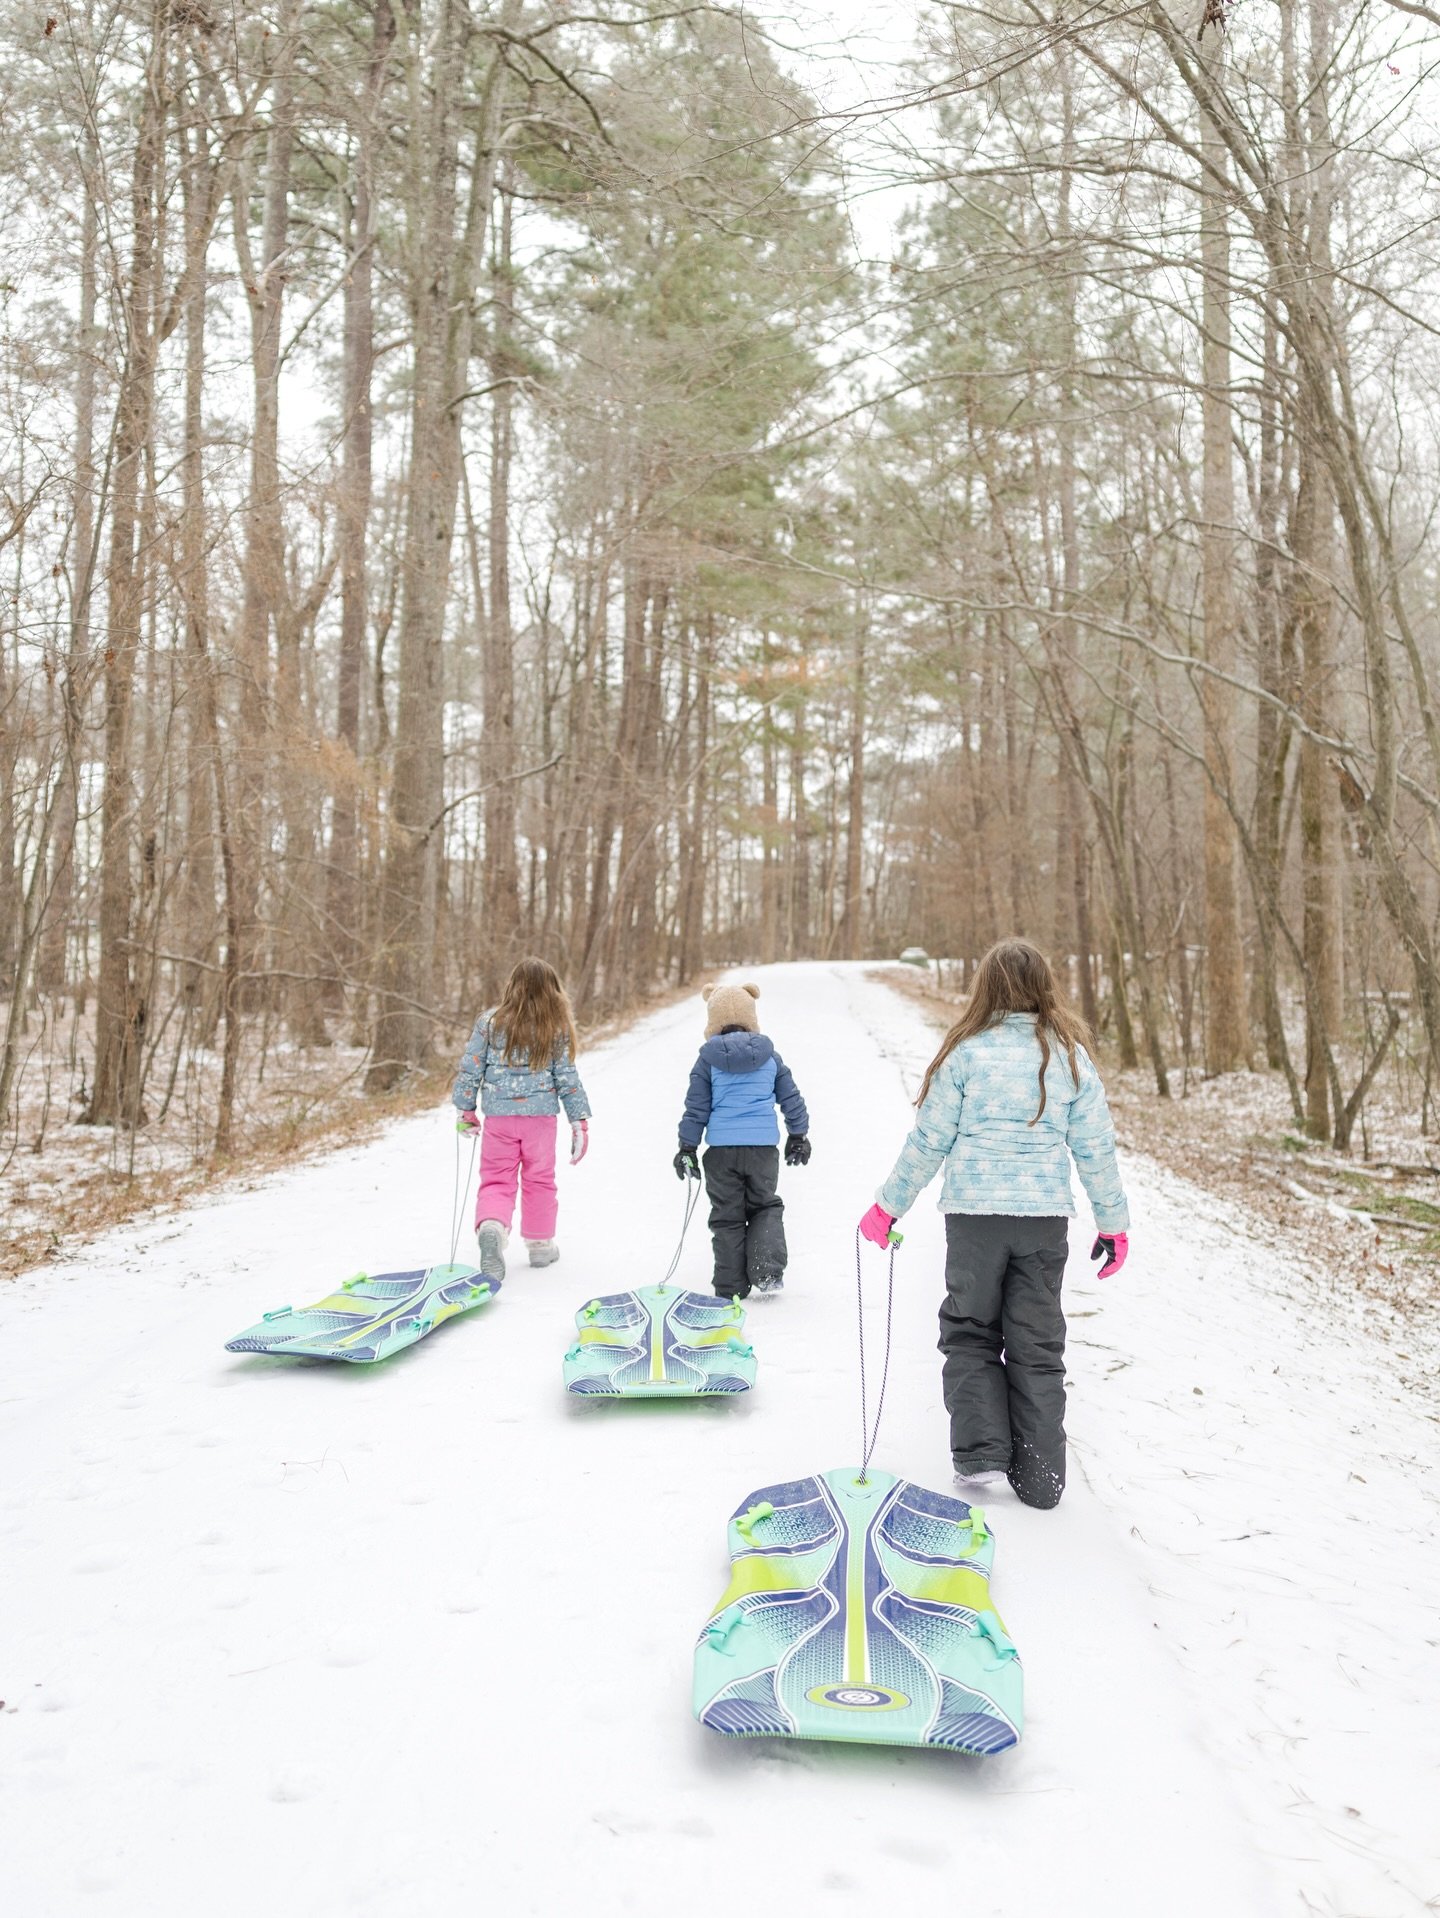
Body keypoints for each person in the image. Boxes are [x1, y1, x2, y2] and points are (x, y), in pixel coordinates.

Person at [858, 938, 1129, 1510]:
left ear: (986, 989)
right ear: (1043, 989)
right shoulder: (1069, 1058)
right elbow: (1096, 1150)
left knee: (971, 1329)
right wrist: (1114, 1224)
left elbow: (929, 1141)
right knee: (1037, 1344)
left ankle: (982, 1453)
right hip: (1043, 1224)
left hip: (976, 1222)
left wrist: (888, 1206)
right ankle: (1040, 1478)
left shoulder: (966, 1054)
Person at [452, 958, 592, 1283]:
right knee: (539, 1179)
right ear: (552, 990)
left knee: (497, 1180)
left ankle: (492, 1228)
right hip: (540, 1120)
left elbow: (471, 1066)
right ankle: (540, 1244)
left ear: (511, 986)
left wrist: (466, 1109)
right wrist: (578, 1121)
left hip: (499, 1119)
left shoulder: (489, 1022)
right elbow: (567, 1077)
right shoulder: (554, 1027)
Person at [674, 982, 811, 1300]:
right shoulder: (770, 1056)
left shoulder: (707, 1060)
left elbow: (697, 1108)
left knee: (727, 1216)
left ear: (713, 1020)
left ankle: (730, 1285)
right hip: (762, 1150)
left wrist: (687, 1147)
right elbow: (791, 1098)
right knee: (764, 1206)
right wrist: (798, 1134)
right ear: (752, 1017)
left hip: (721, 1153)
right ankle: (766, 1271)